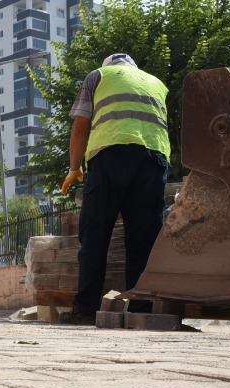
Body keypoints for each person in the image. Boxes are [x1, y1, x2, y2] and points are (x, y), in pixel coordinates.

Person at [60, 53, 171, 324]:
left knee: (95, 235)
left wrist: (75, 168)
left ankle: (85, 309)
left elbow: (81, 126)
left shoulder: (99, 76)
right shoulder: (156, 83)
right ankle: (140, 310)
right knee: (143, 240)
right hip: (154, 159)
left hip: (110, 155)